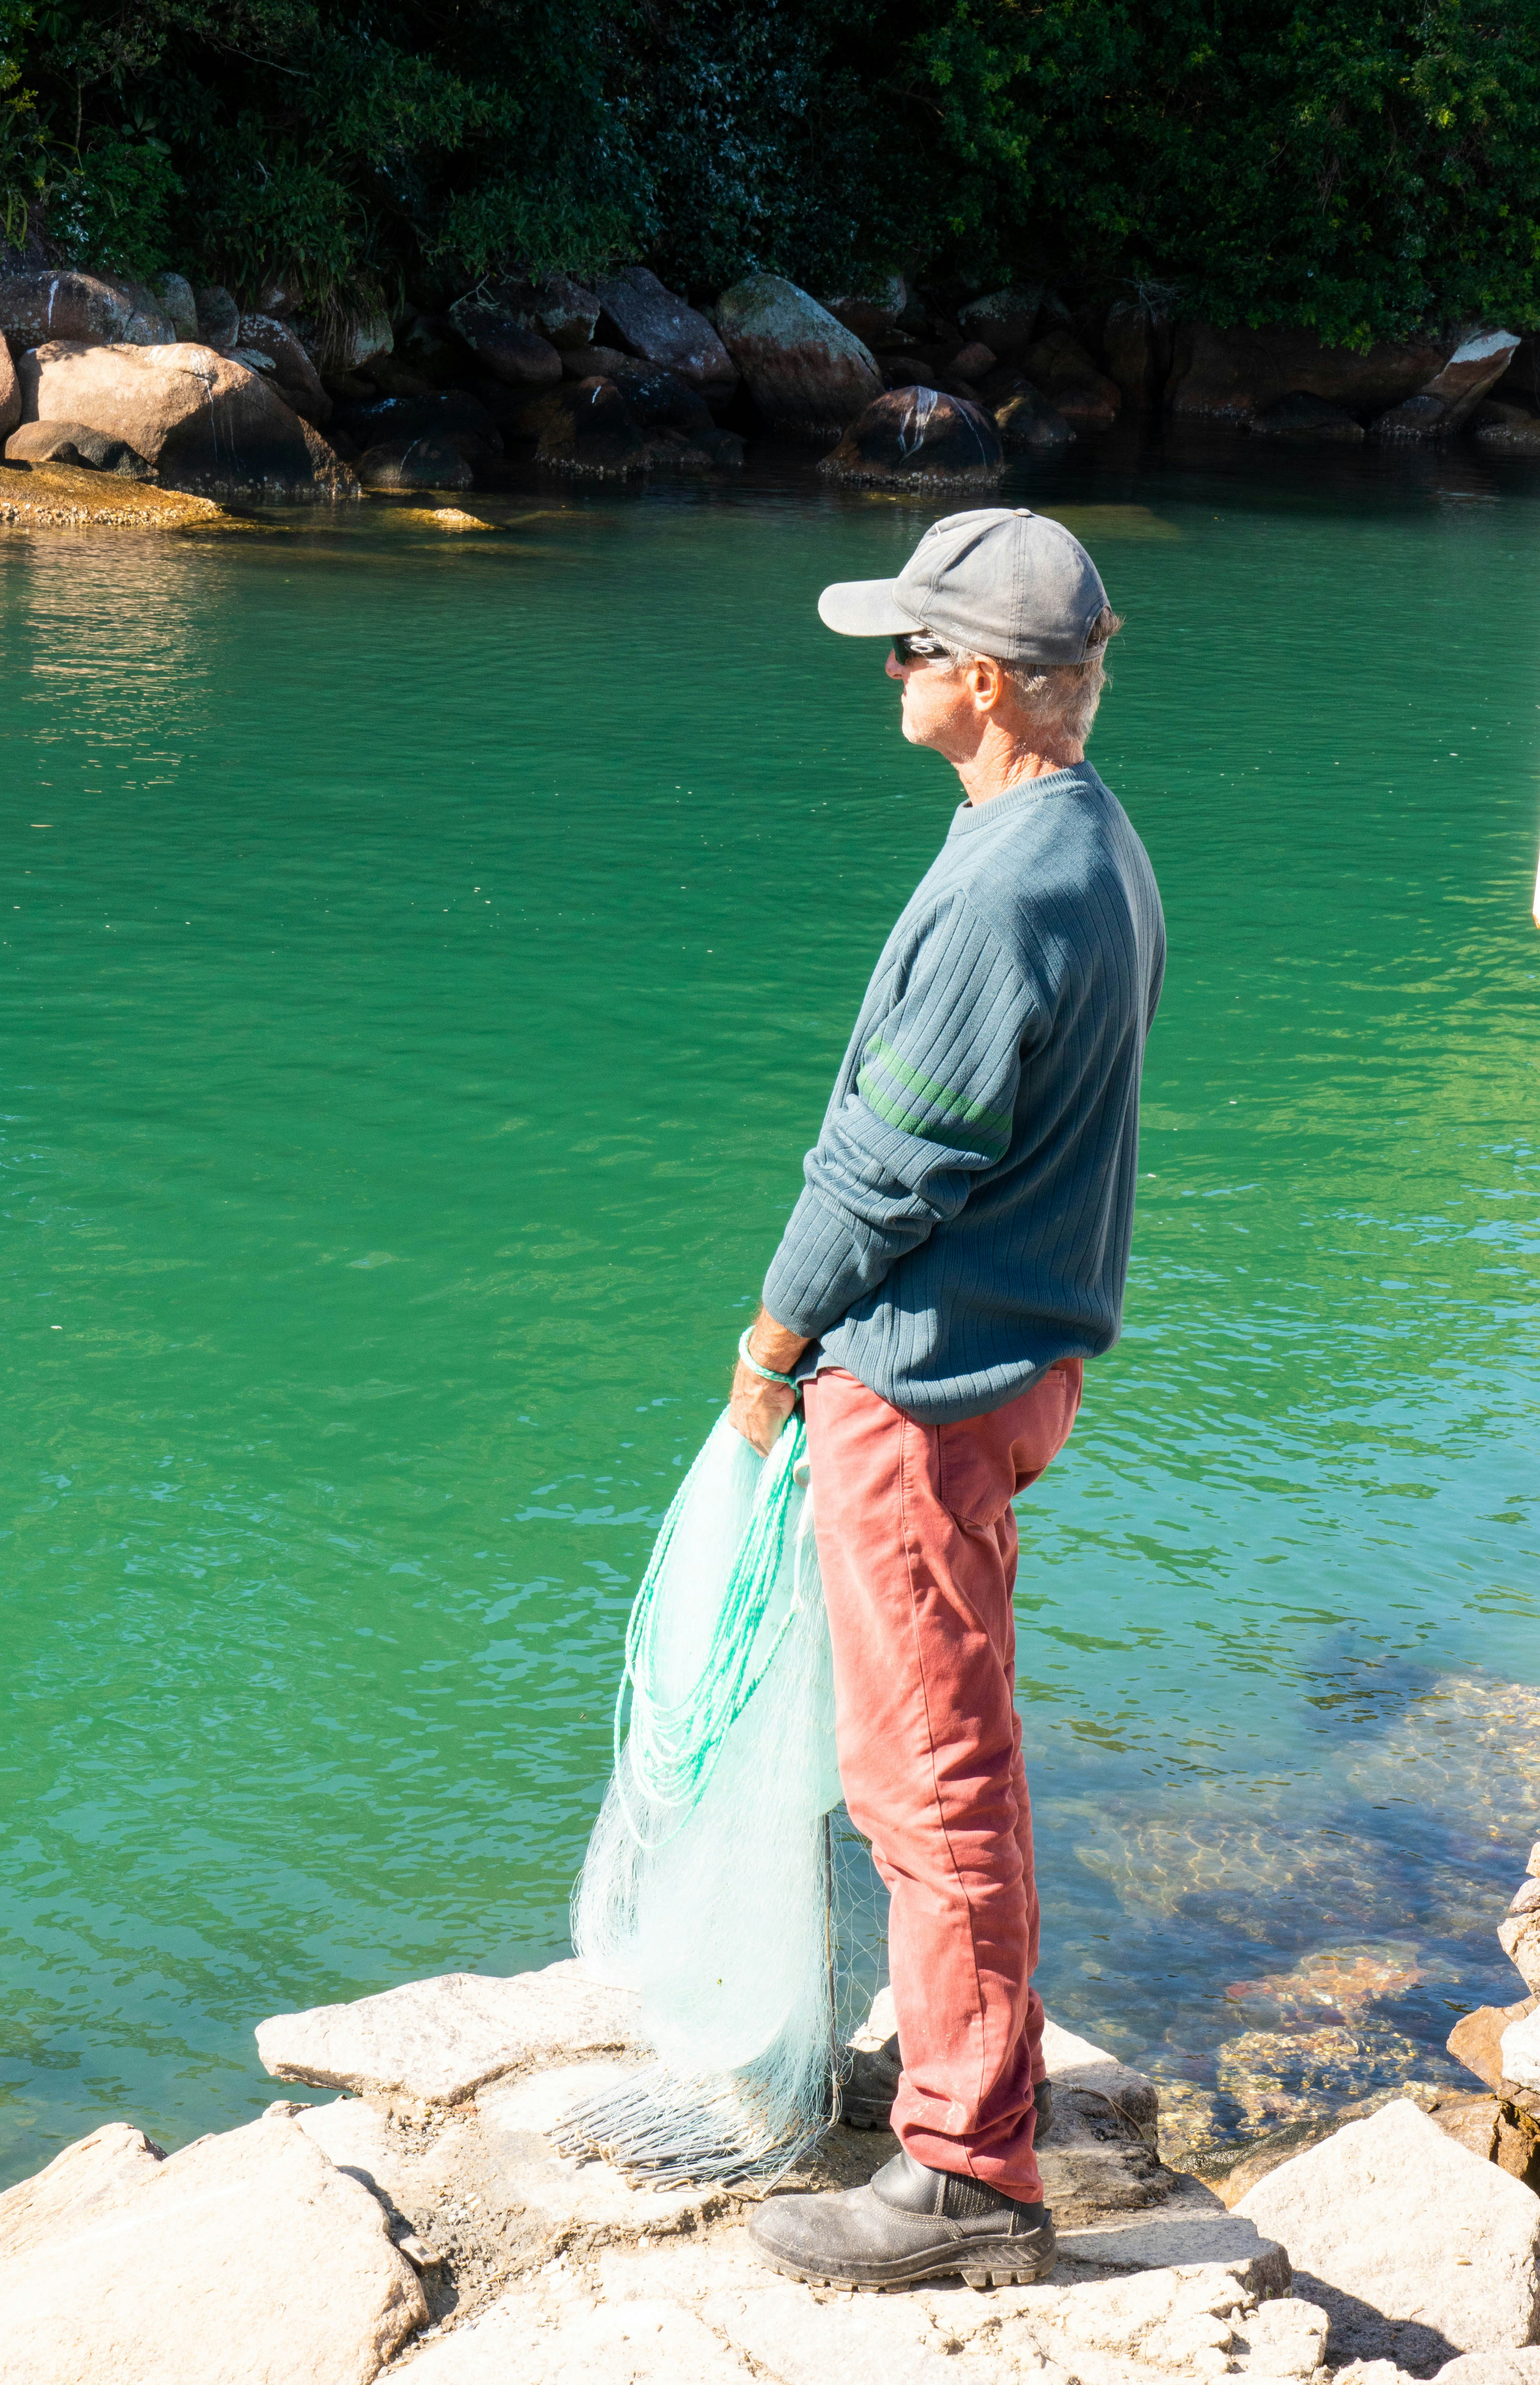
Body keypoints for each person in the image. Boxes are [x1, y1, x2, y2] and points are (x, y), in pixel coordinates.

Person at [733, 506, 1165, 2292]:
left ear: (980, 681)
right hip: (1019, 1355)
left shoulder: (1001, 887)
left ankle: (968, 2173)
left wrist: (769, 1351)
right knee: (935, 1739)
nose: (890, 672)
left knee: (927, 1772)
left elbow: (885, 1165)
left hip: (924, 1382)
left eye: (909, 650)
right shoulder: (1087, 836)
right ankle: (952, 2059)